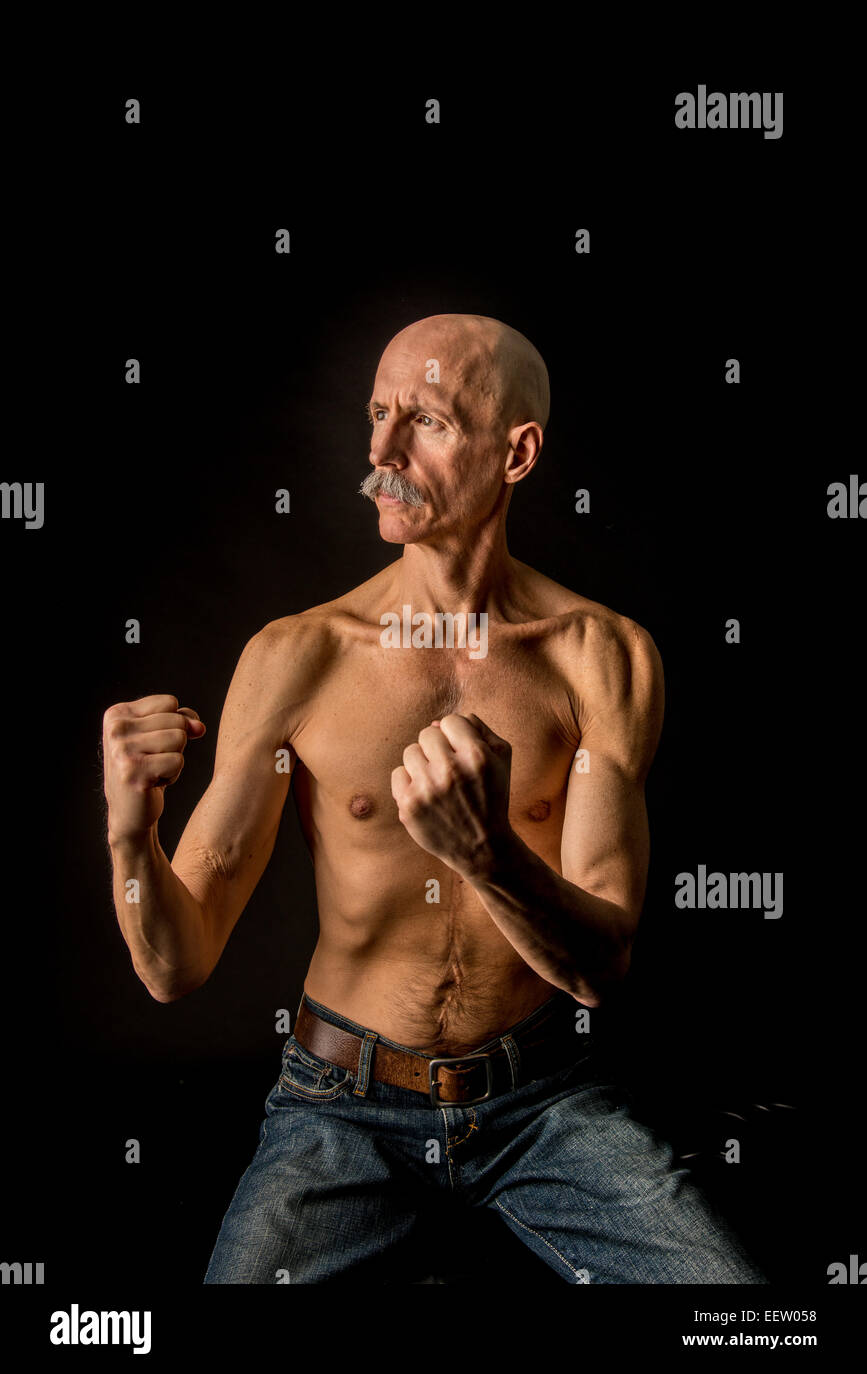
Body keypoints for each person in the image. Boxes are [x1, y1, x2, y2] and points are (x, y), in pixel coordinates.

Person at [102, 314, 768, 1284]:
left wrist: (488, 849)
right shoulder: (299, 656)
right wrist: (131, 838)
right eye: (376, 417)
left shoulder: (600, 657)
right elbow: (177, 962)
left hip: (545, 1100)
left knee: (745, 1319)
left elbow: (601, 963)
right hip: (340, 1104)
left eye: (427, 421)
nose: (380, 451)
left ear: (518, 451)